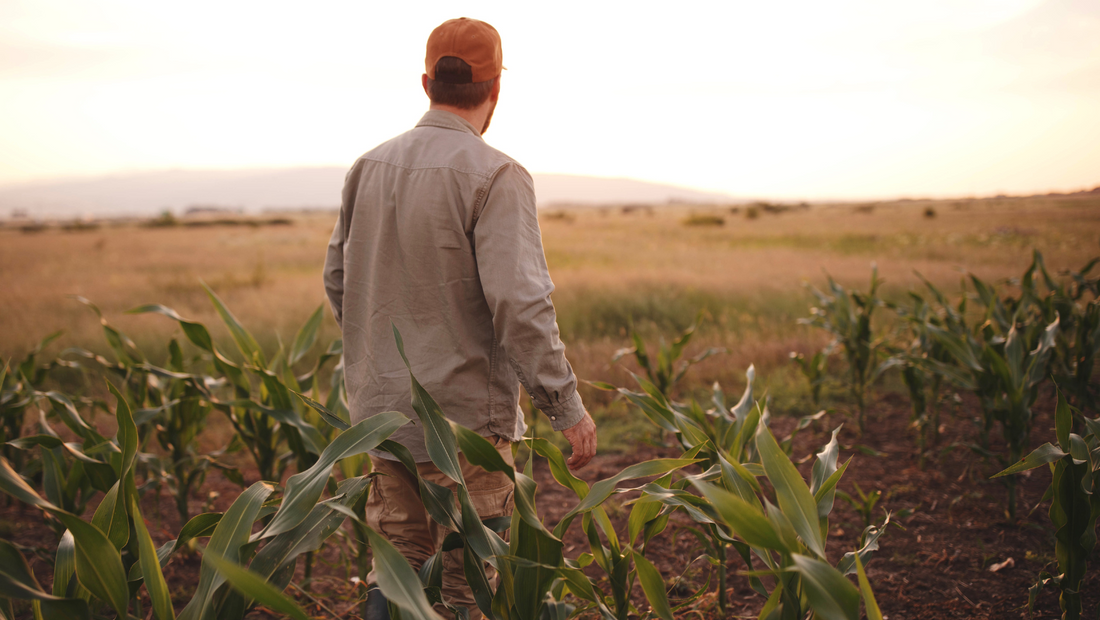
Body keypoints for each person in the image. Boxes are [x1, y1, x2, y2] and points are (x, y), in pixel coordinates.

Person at [322, 17, 597, 620]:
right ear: (496, 88)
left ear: (426, 83)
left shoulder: (367, 167)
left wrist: (381, 362)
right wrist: (565, 407)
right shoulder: (498, 174)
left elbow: (338, 281)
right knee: (467, 581)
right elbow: (519, 304)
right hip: (467, 429)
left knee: (395, 569)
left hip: (384, 419)